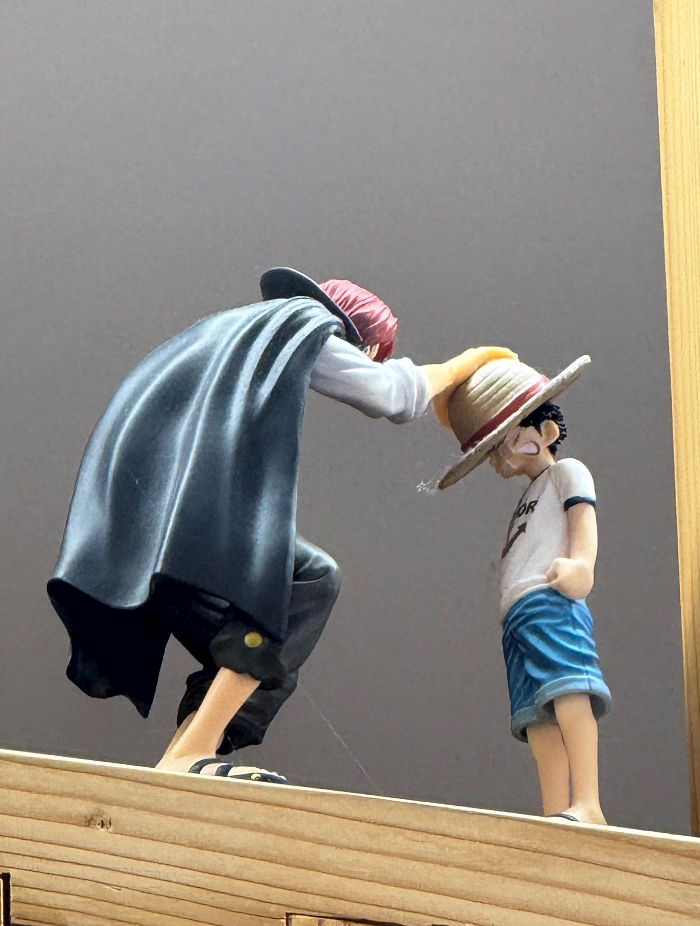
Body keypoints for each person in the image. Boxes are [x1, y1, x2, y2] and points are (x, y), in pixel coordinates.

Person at [48, 267, 513, 781]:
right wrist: (466, 363)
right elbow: (391, 396)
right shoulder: (304, 324)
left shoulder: (243, 330)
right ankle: (193, 751)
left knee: (261, 632)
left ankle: (179, 765)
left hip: (150, 510)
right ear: (364, 345)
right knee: (306, 584)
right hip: (182, 511)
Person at [437, 355, 610, 824]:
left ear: (544, 432)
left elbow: (583, 520)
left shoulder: (567, 472)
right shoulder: (528, 497)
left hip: (551, 600)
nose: (498, 458)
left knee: (569, 689)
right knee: (535, 713)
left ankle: (588, 802)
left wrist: (583, 565)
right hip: (518, 612)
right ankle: (555, 808)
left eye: (504, 442)